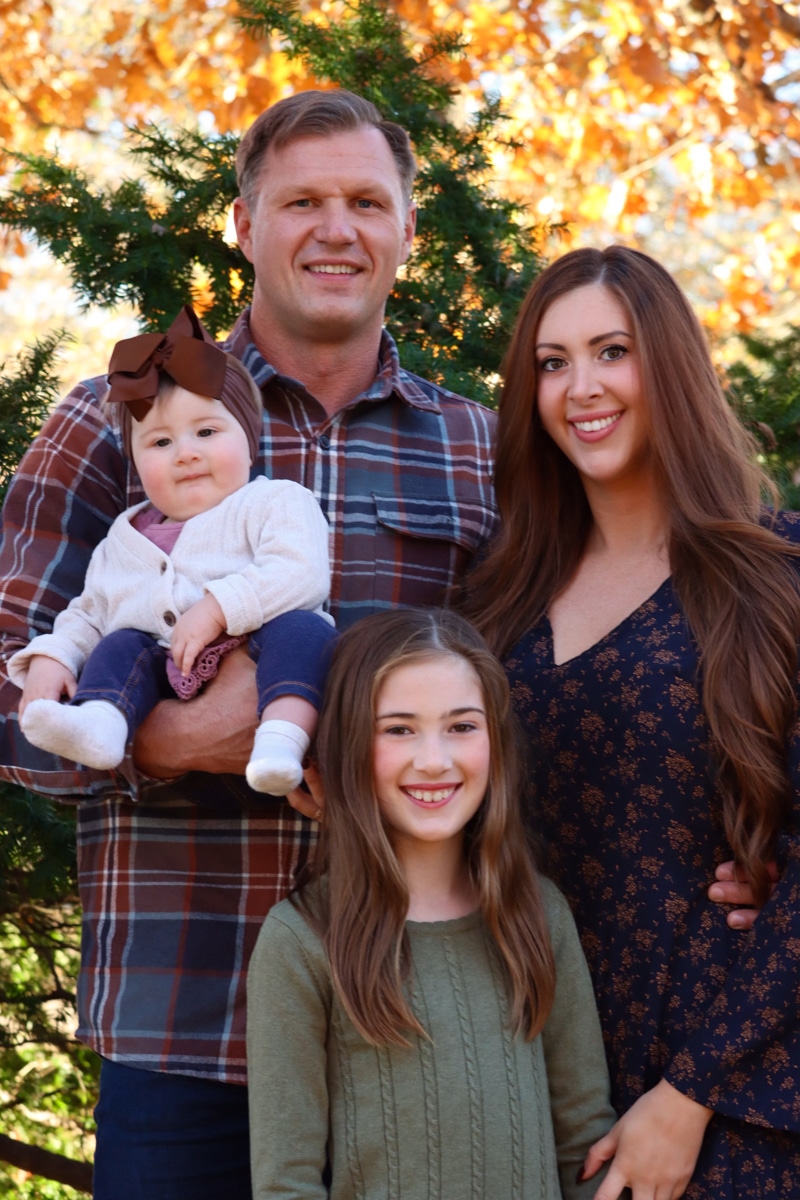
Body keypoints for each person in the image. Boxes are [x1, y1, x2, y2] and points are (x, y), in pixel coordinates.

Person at [0, 91, 497, 1199]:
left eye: (367, 202)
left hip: (408, 1006)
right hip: (183, 1019)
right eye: (302, 202)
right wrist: (171, 738)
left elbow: (539, 707)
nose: (337, 229)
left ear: (407, 230)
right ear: (242, 224)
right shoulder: (113, 424)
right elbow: (7, 677)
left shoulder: (478, 450)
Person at [465, 244, 800, 1198]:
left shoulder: (775, 574)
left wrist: (690, 1095)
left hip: (724, 1100)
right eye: (553, 362)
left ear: (670, 366)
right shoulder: (498, 601)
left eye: (612, 351)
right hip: (531, 1085)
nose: (582, 387)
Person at [247, 606, 616, 1200]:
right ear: (346, 745)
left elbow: (584, 1142)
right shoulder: (302, 939)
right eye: (398, 729)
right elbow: (286, 1183)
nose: (435, 760)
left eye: (462, 726)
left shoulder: (538, 914)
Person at [9, 304, 337, 796]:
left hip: (262, 650)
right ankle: (102, 723)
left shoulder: (274, 502)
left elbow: (301, 572)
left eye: (206, 432)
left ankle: (281, 739)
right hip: (165, 669)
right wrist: (54, 657)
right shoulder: (125, 538)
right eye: (160, 442)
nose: (186, 453)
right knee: (120, 645)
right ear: (136, 462)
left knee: (305, 632)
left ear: (248, 442)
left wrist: (217, 608)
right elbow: (91, 613)